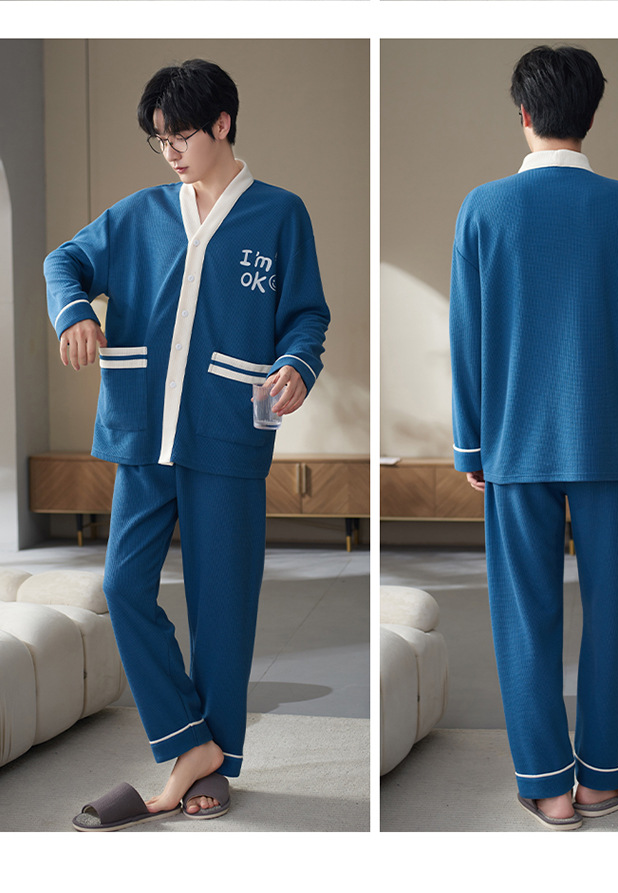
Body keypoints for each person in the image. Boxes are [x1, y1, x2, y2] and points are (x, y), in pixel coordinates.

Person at [45, 59, 330, 831]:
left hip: (229, 432)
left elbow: (306, 312)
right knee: (124, 585)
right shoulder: (139, 214)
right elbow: (64, 260)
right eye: (159, 140)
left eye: (181, 136)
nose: (170, 151)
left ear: (222, 125)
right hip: (144, 433)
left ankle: (215, 764)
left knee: (223, 608)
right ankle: (187, 739)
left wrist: (296, 364)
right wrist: (75, 310)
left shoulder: (279, 214)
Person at [449, 45, 618, 831]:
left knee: (524, 615)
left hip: (513, 445)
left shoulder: (482, 209)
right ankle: (604, 779)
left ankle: (548, 786)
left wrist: (470, 446)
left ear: (524, 113)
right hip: (611, 440)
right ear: (590, 115)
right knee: (609, 612)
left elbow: (467, 337)